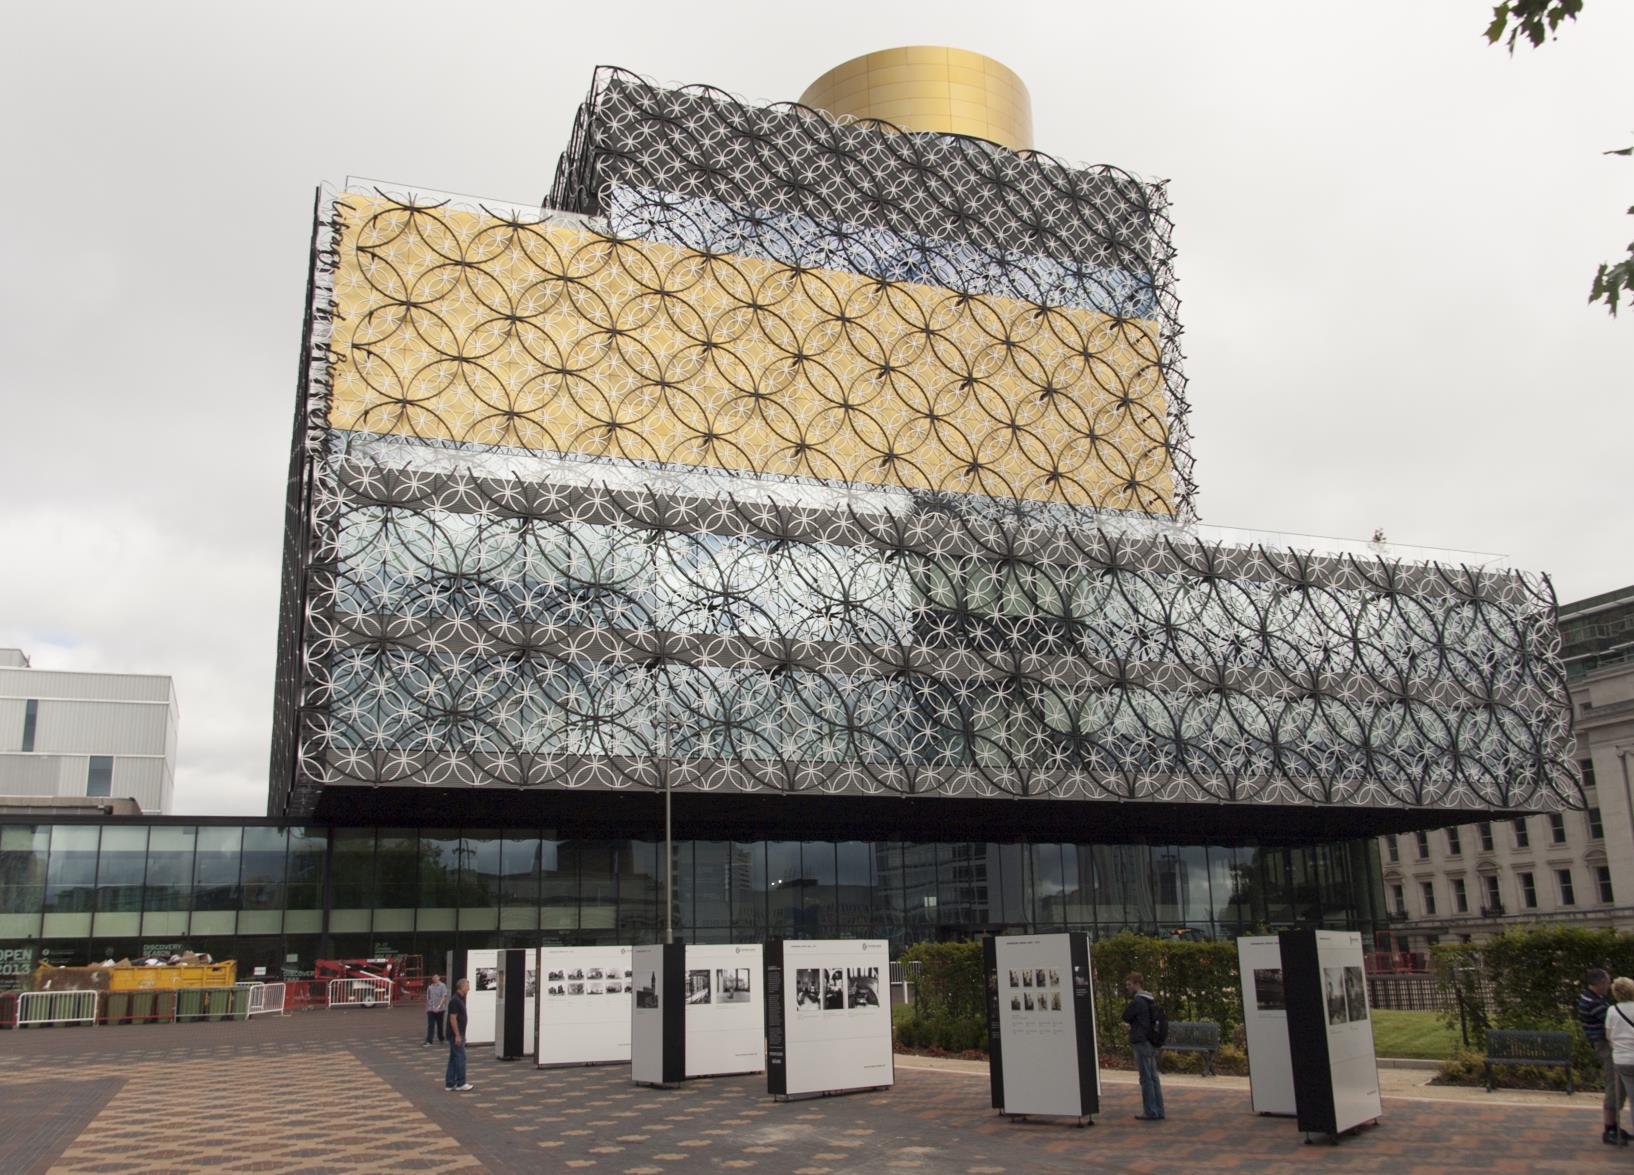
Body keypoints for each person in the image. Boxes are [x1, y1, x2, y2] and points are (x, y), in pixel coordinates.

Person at [1581, 967, 1628, 1144]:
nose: (1609, 986)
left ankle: (1614, 1125)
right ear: (1599, 983)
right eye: (1607, 982)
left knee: (1618, 1086)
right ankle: (1609, 1129)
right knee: (1613, 1085)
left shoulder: (1594, 998)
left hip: (1605, 1044)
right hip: (1605, 1046)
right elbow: (1612, 1024)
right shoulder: (1593, 1003)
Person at [1122, 971, 1165, 1121]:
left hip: (1141, 1041)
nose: (1127, 987)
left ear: (1136, 984)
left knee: (1145, 1078)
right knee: (1153, 1077)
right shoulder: (1150, 1000)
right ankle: (1159, 1109)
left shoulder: (1138, 1001)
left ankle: (1150, 1111)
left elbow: (1126, 1016)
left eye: (1129, 984)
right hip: (1151, 1041)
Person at [1606, 976, 1634, 1147]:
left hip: (1621, 1059)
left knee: (1627, 1096)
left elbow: (1609, 1035)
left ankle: (1615, 1129)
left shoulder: (1612, 1011)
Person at [445, 977, 473, 1092]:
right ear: (462, 987)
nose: (469, 988)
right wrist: (457, 1035)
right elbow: (453, 1018)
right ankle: (461, 1082)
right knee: (461, 1057)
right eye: (467, 985)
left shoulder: (460, 999)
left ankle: (450, 1083)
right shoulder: (455, 1000)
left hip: (459, 1033)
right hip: (456, 1034)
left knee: (453, 1058)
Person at [423, 973, 449, 1047]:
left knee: (440, 1025)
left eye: (436, 977)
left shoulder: (442, 986)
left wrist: (439, 1006)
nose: (434, 979)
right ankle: (429, 1040)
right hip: (431, 1009)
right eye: (433, 978)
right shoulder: (430, 987)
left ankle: (441, 1038)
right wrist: (427, 1008)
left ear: (439, 978)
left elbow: (444, 997)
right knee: (430, 1025)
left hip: (440, 1009)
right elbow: (428, 998)